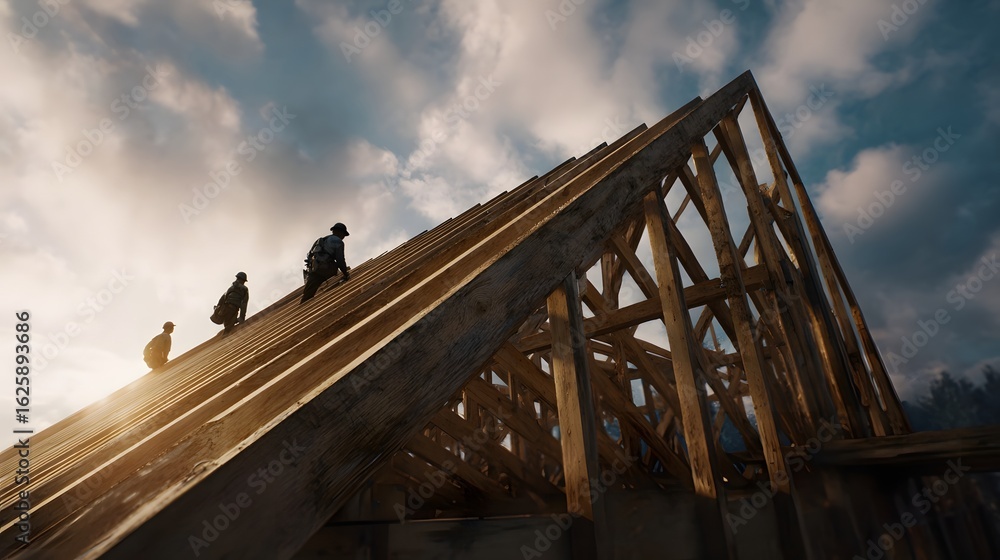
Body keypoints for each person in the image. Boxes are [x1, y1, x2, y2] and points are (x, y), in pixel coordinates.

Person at [301, 222, 351, 303]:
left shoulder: (320, 240)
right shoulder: (338, 242)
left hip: (314, 269)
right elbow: (340, 259)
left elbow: (309, 257)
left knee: (308, 293)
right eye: (343, 235)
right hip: (326, 269)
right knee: (336, 271)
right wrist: (345, 274)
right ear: (340, 232)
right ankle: (334, 289)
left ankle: (303, 304)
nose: (343, 237)